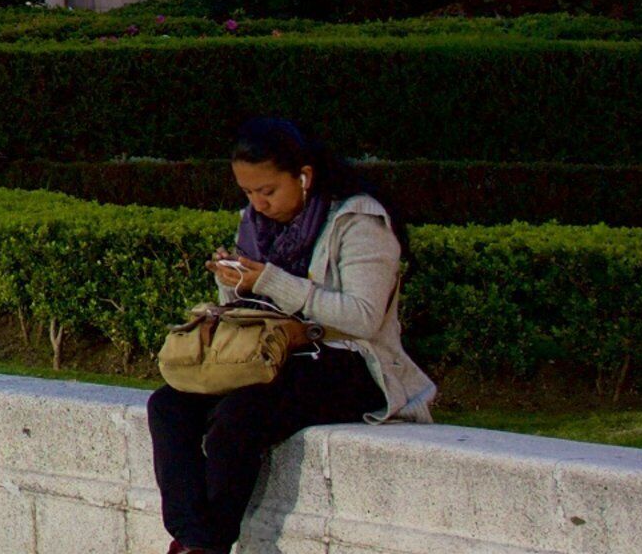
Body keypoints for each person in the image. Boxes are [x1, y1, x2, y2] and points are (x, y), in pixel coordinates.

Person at [147, 118, 431, 554]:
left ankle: (205, 546)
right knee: (168, 405)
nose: (258, 204)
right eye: (248, 193)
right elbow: (252, 311)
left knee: (237, 419)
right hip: (272, 357)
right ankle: (192, 541)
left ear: (304, 176)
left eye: (268, 191)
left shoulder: (357, 221)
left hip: (350, 362)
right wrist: (233, 283)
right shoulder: (254, 224)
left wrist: (270, 281)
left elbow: (364, 318)